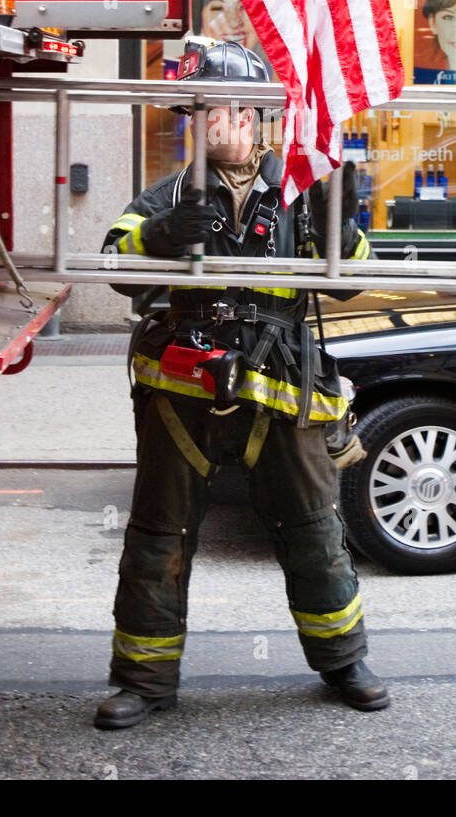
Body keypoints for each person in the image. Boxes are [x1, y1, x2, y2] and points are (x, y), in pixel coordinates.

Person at [94, 39, 389, 730]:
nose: (212, 121)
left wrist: (341, 225)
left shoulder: (299, 194)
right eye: (199, 110)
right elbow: (111, 263)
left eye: (224, 107)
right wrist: (163, 235)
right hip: (181, 391)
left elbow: (355, 280)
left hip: (281, 389)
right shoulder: (165, 196)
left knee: (314, 530)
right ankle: (143, 679)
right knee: (158, 536)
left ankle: (344, 661)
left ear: (257, 115)